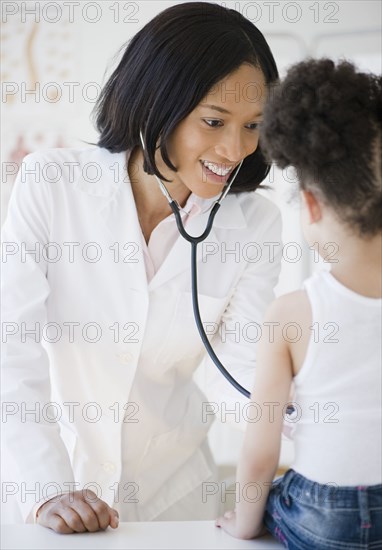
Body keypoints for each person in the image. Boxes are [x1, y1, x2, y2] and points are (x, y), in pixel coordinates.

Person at [1, 1, 283, 533]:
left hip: (174, 494)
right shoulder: (51, 184)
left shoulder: (256, 222)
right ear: (158, 102)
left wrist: (308, 434)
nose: (235, 148)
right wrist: (46, 488)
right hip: (47, 486)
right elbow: (9, 347)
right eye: (215, 121)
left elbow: (239, 374)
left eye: (253, 126)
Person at [216, 58, 382, 548]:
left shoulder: (291, 314)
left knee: (276, 493)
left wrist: (246, 525)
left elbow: (260, 454)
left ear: (310, 206)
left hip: (321, 517)